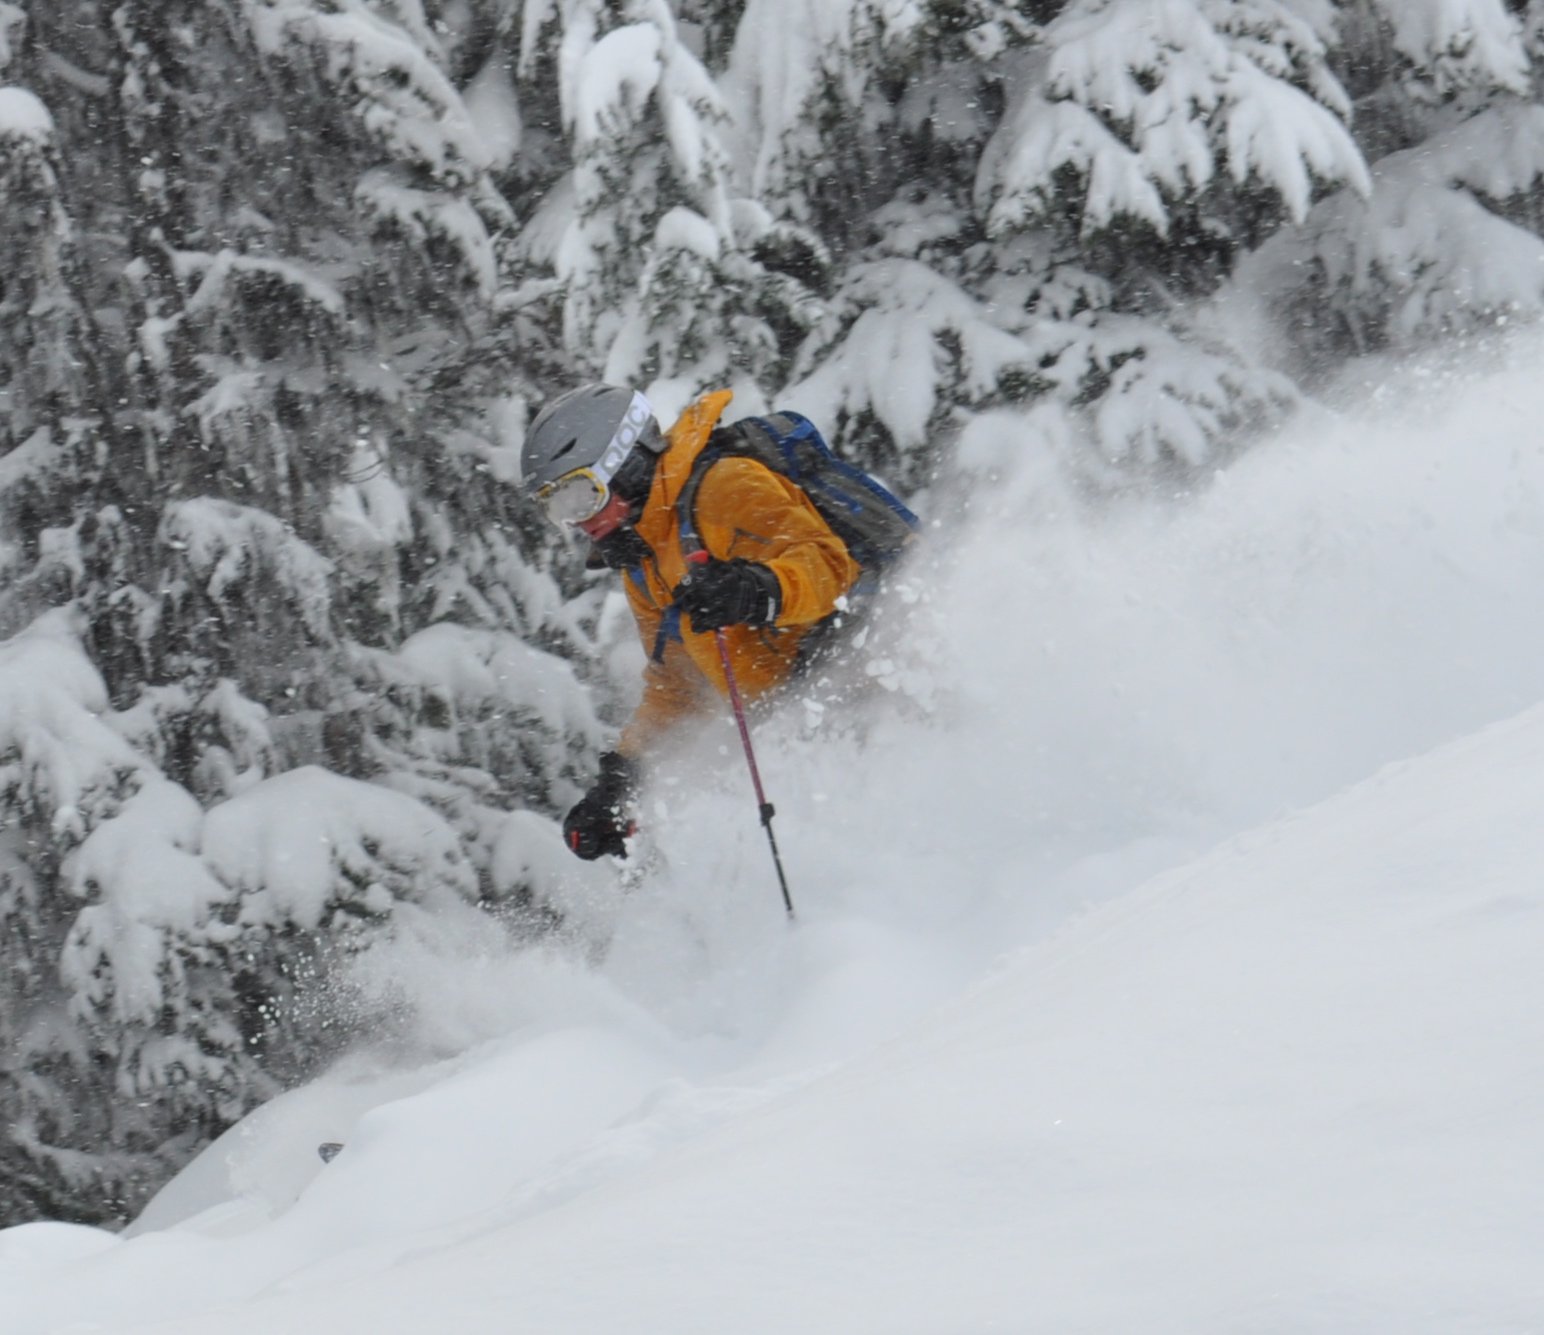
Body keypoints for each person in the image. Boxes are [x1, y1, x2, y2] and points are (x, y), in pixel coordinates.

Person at [521, 384, 862, 860]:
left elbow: (830, 566)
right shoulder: (644, 558)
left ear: (626, 462)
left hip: (862, 692)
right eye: (556, 508)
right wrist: (621, 782)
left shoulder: (725, 486)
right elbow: (678, 686)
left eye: (581, 496)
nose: (577, 522)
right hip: (799, 730)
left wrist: (755, 589)